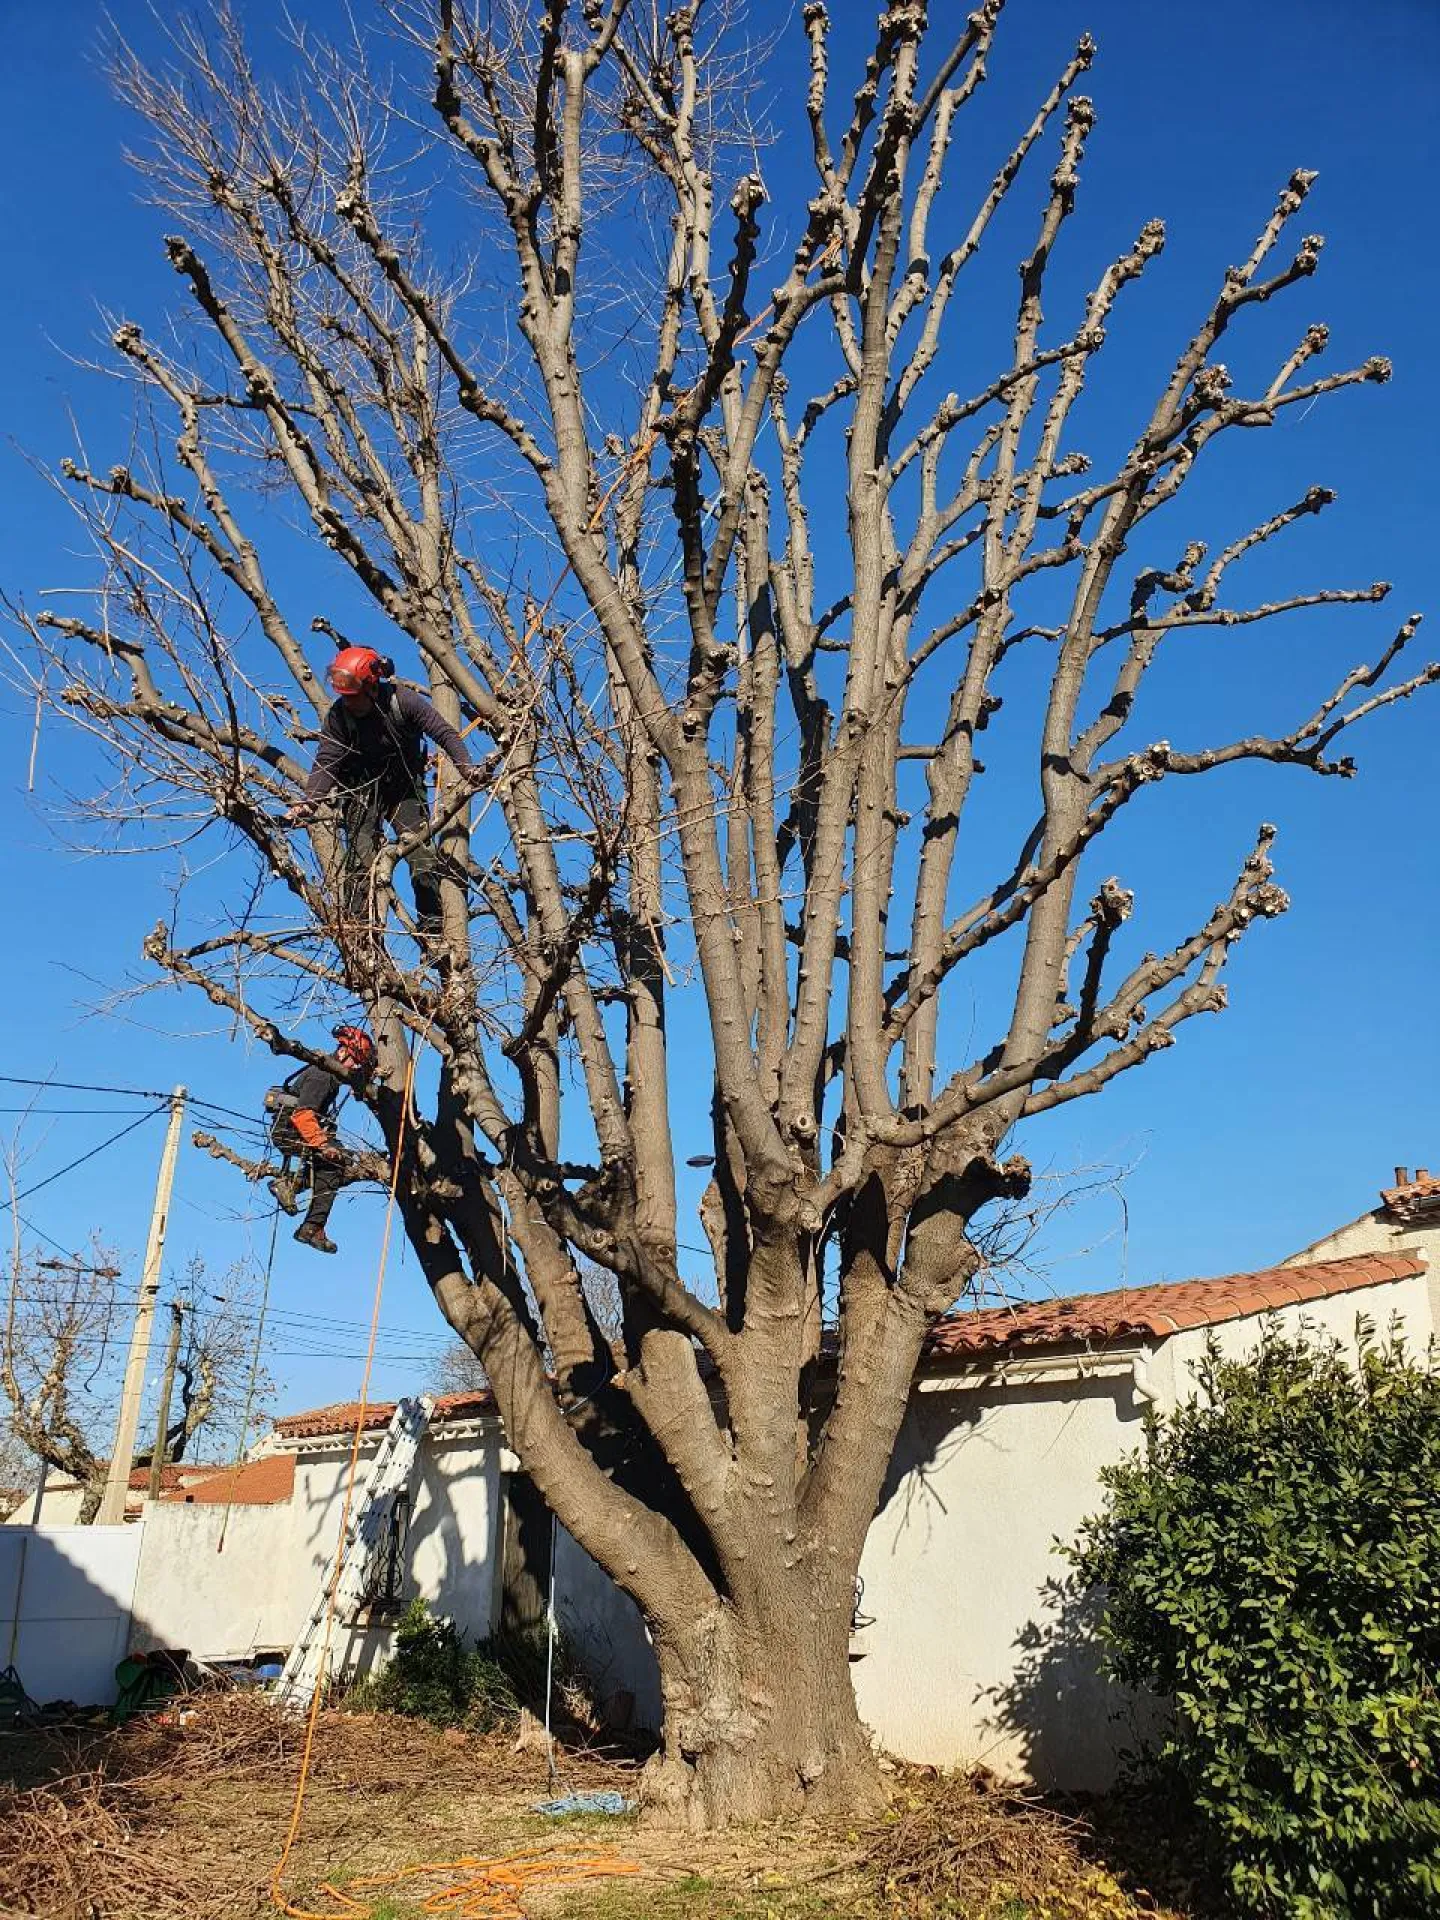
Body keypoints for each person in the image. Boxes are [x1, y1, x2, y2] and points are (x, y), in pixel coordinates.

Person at [290, 647, 479, 941]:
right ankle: (359, 930)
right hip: (361, 789)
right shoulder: (339, 717)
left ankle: (432, 929)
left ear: (371, 686)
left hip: (404, 787)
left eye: (354, 697)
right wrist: (309, 803)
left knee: (423, 854)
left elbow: (444, 733)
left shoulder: (403, 701)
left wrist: (467, 768)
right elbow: (327, 761)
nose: (350, 704)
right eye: (345, 697)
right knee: (359, 857)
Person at [267, 1024, 377, 1253]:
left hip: (294, 1128)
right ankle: (310, 1224)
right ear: (343, 1052)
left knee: (335, 1163)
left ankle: (294, 1191)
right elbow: (303, 1114)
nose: (355, 1069)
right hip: (290, 1128)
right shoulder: (322, 1075)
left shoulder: (328, 1077)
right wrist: (323, 1144)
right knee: (334, 1161)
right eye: (355, 1063)